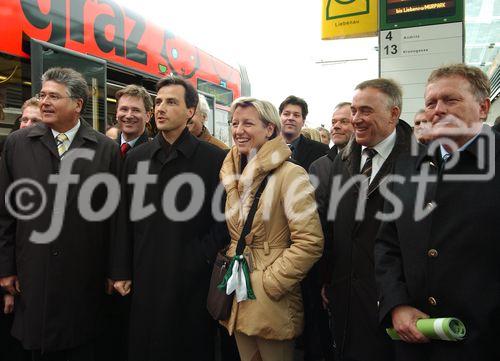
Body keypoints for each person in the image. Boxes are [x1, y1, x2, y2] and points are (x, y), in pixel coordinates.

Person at [375, 64, 498, 361]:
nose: (438, 110)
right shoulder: (407, 168)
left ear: (483, 108)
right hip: (416, 343)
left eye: (450, 100)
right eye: (431, 103)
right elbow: (387, 245)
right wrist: (396, 305)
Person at [0, 67, 120, 360]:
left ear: (78, 104)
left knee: (79, 343)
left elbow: (116, 219)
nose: (44, 102)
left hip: (84, 276)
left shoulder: (105, 150)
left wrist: (115, 270)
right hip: (32, 271)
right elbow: (5, 212)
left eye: (54, 96)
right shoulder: (18, 143)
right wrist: (6, 268)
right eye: (42, 95)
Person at [111, 75, 229, 361]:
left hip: (190, 280)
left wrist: (197, 257)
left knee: (188, 346)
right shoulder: (136, 159)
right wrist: (121, 270)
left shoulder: (214, 159)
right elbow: (122, 220)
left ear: (190, 111)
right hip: (145, 276)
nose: (161, 108)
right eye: (159, 101)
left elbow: (223, 221)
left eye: (171, 102)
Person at [219, 97, 323, 361]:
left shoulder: (291, 174)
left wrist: (270, 283)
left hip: (270, 298)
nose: (238, 130)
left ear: (269, 129)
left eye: (247, 123)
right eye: (234, 123)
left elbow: (310, 242)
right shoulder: (233, 171)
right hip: (239, 293)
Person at [322, 78, 414, 361]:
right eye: (354, 110)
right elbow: (333, 222)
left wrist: (398, 299)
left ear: (394, 114)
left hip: (390, 301)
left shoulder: (418, 162)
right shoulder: (343, 160)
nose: (356, 119)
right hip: (343, 294)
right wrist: (327, 276)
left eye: (366, 111)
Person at [310, 102, 354, 219]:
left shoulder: (369, 161)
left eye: (344, 121)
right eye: (333, 122)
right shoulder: (318, 166)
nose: (336, 126)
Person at [279, 95, 329, 170]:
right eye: (286, 114)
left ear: (303, 121)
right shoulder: (265, 147)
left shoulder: (320, 150)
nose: (291, 118)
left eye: (296, 115)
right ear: (279, 117)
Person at [115, 84, 153, 156]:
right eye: (124, 109)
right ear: (116, 113)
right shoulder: (105, 148)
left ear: (147, 116)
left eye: (136, 110)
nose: (129, 116)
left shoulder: (156, 153)